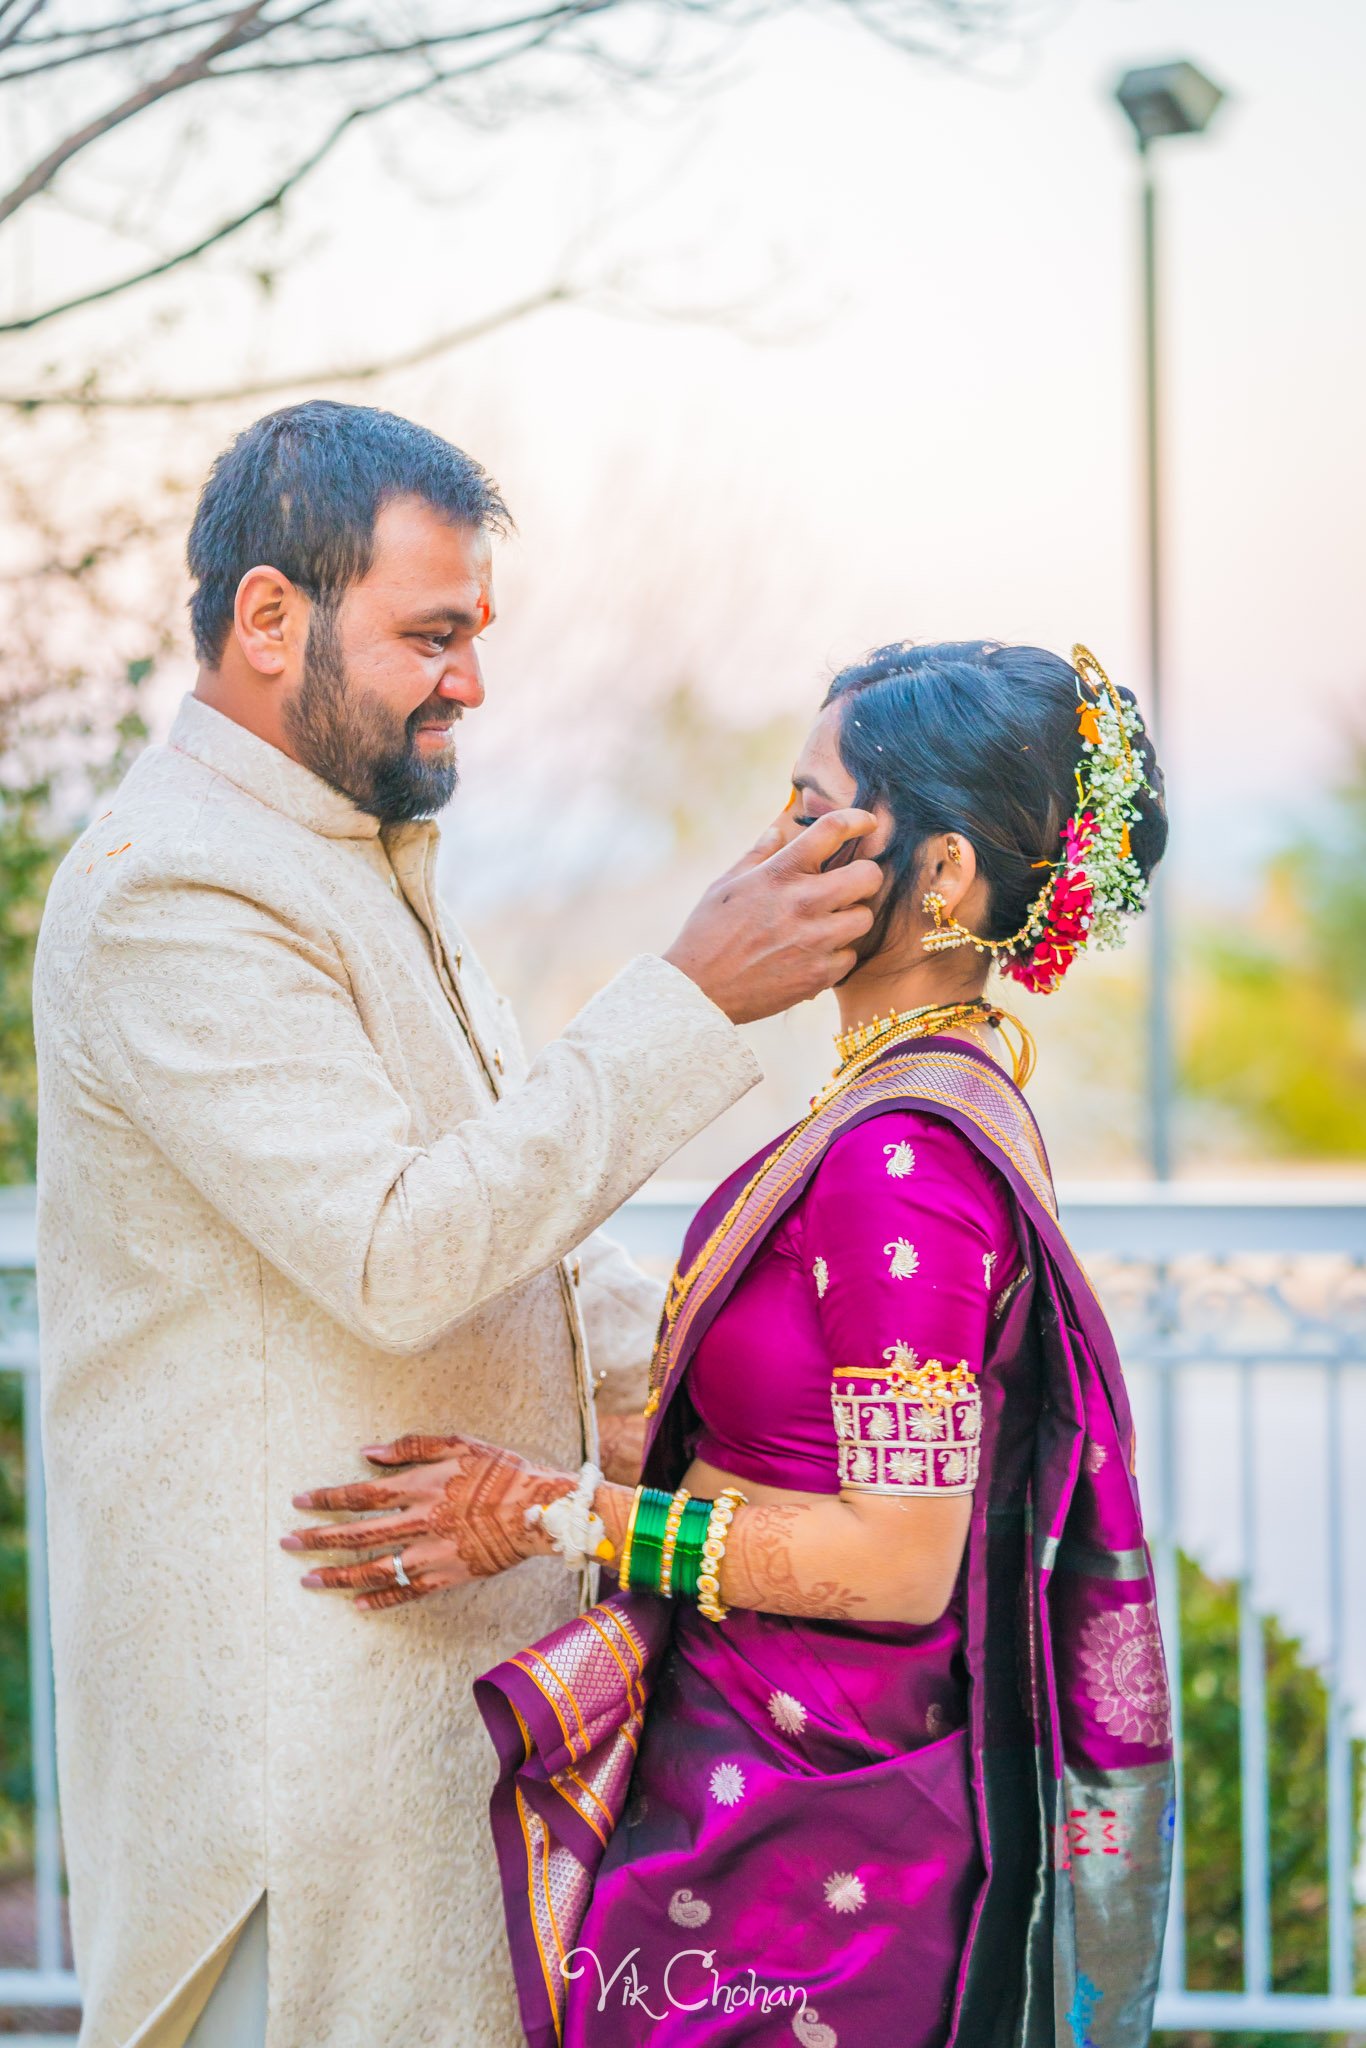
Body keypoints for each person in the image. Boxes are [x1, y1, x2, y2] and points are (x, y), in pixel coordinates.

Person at [32, 399, 883, 2048]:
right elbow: (400, 1249)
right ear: (269, 619)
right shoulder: (175, 889)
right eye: (431, 634)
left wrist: (801, 1397)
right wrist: (690, 997)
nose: (469, 683)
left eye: (474, 635)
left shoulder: (358, 859)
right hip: (302, 1770)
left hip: (445, 1726)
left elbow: (535, 1251)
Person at [288, 639, 1176, 2048]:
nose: (772, 846)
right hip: (770, 1788)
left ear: (939, 878)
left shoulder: (902, 1159)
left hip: (809, 1838)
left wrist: (539, 1513)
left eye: (813, 806)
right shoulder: (929, 1104)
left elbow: (893, 1564)